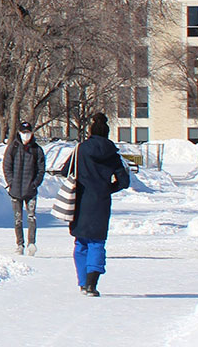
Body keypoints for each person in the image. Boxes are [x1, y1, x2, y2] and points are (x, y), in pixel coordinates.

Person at [67, 112, 130, 297]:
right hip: (101, 202)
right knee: (97, 242)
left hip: (81, 200)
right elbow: (124, 181)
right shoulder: (113, 153)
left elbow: (66, 171)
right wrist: (108, 188)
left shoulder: (81, 149)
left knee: (81, 243)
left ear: (91, 131)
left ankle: (82, 282)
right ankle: (92, 285)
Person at [3, 121, 46, 255]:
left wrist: (35, 184)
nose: (25, 135)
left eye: (28, 133)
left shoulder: (37, 150)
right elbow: (7, 165)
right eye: (23, 133)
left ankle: (31, 243)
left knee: (31, 217)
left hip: (30, 191)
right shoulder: (13, 147)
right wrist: (11, 182)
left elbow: (41, 169)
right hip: (15, 191)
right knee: (18, 219)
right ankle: (19, 244)